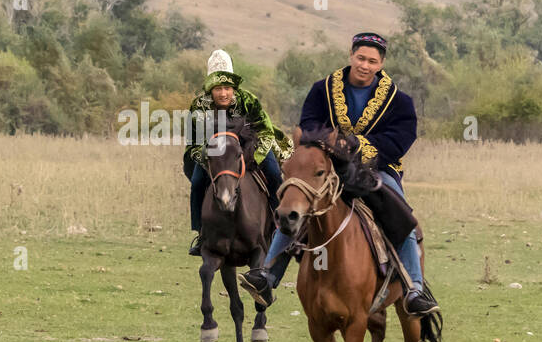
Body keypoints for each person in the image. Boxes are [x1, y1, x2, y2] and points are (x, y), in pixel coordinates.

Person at [240, 31, 440, 317]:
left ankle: (414, 289)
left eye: (372, 61)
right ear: (351, 56)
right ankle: (267, 276)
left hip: (377, 169)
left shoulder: (400, 101)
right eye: (360, 58)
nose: (365, 65)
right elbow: (308, 124)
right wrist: (330, 144)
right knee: (293, 206)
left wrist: (359, 146)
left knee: (400, 212)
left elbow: (401, 138)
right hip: (327, 167)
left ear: (381, 64)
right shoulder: (322, 90)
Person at [184, 50, 291, 256]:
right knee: (197, 182)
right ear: (210, 88)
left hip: (253, 145)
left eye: (227, 88)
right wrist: (208, 159)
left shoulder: (248, 100)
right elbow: (194, 143)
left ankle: (279, 226)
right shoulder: (199, 106)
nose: (223, 93)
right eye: (218, 88)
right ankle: (201, 233)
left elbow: (266, 131)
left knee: (274, 173)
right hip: (214, 152)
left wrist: (253, 157)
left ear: (233, 87)